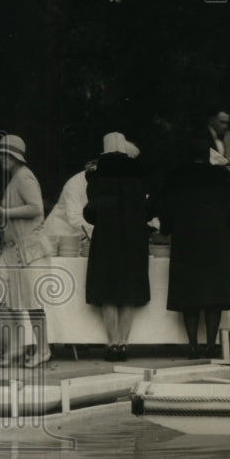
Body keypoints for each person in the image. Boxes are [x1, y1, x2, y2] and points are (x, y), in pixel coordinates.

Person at [159, 138, 230, 358]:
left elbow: (166, 210)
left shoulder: (176, 177)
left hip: (186, 241)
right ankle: (211, 344)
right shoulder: (222, 177)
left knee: (189, 295)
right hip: (216, 241)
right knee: (214, 295)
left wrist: (166, 230)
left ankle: (193, 345)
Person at [0, 135, 53, 368]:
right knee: (11, 302)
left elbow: (36, 208)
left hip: (31, 250)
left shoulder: (24, 177)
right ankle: (17, 347)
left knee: (33, 303)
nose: (1, 159)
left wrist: (3, 212)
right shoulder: (16, 179)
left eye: (4, 155)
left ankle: (43, 350)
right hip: (17, 250)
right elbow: (15, 213)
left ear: (14, 156)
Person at [83, 132, 151, 362]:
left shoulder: (97, 177)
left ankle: (112, 343)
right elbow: (147, 209)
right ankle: (124, 342)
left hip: (107, 237)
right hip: (134, 238)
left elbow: (91, 213)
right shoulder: (139, 175)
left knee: (108, 292)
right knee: (129, 292)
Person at [42, 159, 96, 247]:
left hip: (78, 235)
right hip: (58, 233)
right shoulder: (74, 184)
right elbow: (74, 218)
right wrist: (98, 230)